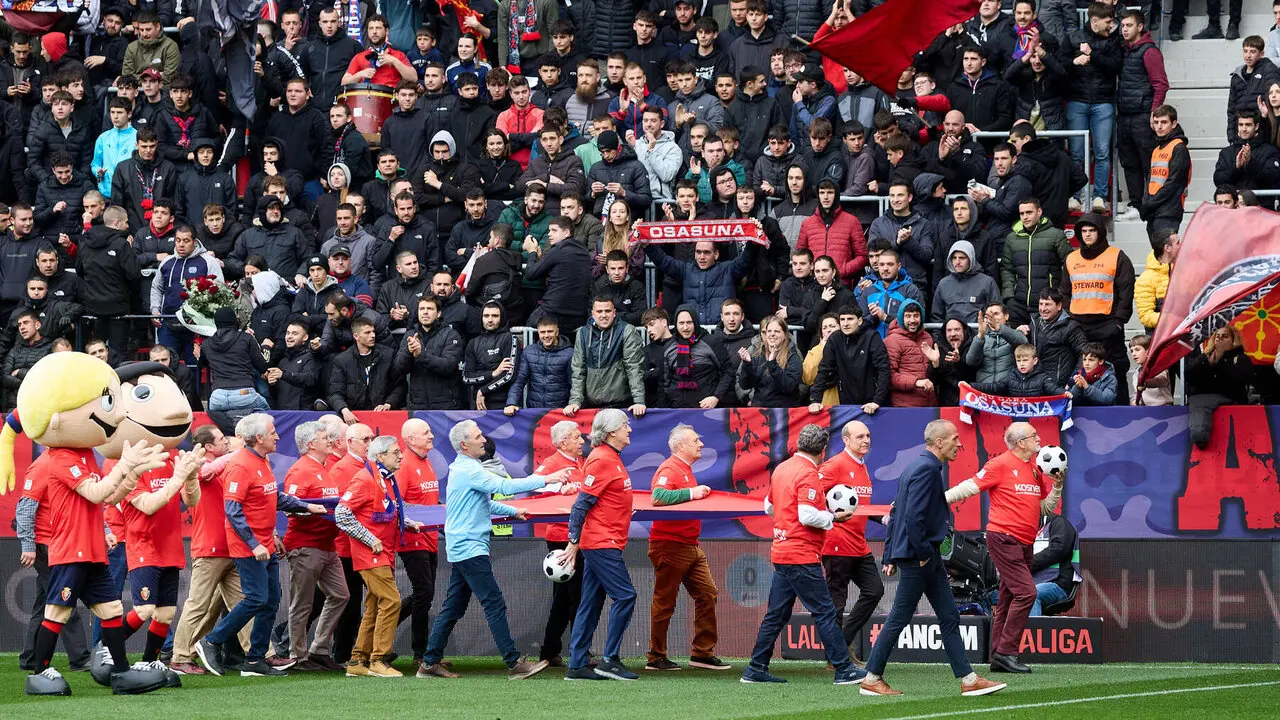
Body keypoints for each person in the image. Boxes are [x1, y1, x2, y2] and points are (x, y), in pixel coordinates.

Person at [860, 420, 1006, 697]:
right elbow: (912, 517)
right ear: (939, 442)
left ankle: (968, 679)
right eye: (954, 439)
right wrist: (925, 554)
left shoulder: (918, 467)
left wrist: (892, 554)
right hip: (921, 558)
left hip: (925, 558)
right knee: (899, 618)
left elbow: (896, 513)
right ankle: (872, 677)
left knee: (949, 616)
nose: (959, 444)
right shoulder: (926, 469)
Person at [416, 420, 569, 680]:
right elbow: (503, 488)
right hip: (469, 547)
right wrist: (547, 479)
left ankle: (429, 663)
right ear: (465, 445)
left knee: (453, 608)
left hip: (465, 545)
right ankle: (513, 662)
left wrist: (513, 511)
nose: (483, 439)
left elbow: (485, 502)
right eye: (478, 436)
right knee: (493, 602)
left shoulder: (467, 468)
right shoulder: (469, 470)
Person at [195, 414, 327, 677]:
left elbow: (272, 495)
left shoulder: (261, 460)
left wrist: (306, 506)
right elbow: (232, 510)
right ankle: (210, 641)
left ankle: (255, 661)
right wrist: (254, 544)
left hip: (265, 543)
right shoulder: (240, 465)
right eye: (272, 432)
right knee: (256, 598)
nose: (277, 436)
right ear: (259, 438)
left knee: (271, 600)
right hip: (249, 547)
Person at [740, 423, 865, 685]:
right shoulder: (809, 473)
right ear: (822, 450)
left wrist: (786, 524)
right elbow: (807, 515)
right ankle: (843, 669)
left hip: (782, 551)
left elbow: (768, 508)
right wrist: (833, 517)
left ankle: (755, 668)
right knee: (825, 612)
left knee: (776, 615)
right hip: (801, 554)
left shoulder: (782, 468)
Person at [944, 422, 1064, 674]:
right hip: (1004, 539)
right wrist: (938, 497)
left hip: (1025, 543)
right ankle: (1007, 652)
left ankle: (997, 655)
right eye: (1034, 436)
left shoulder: (1034, 469)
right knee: (1027, 593)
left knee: (1009, 596)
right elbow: (970, 487)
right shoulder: (999, 464)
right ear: (1021, 443)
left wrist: (1057, 486)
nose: (1039, 439)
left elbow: (1043, 508)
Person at [556, 409, 639, 681]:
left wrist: (623, 511)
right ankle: (609, 659)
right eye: (625, 425)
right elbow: (581, 504)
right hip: (602, 542)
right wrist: (573, 540)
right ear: (612, 431)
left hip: (604, 539)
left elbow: (605, 499)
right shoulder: (602, 459)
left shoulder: (610, 458)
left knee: (590, 603)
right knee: (625, 596)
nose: (629, 428)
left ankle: (577, 664)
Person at [643, 424, 727, 672]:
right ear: (681, 446)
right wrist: (692, 493)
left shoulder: (683, 469)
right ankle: (655, 656)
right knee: (665, 602)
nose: (700, 444)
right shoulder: (670, 468)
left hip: (688, 545)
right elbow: (657, 497)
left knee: (707, 594)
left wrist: (692, 492)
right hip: (670, 544)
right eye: (695, 441)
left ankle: (701, 653)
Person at [337, 436, 421, 678]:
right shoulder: (365, 478)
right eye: (395, 452)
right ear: (381, 456)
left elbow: (387, 511)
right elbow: (342, 513)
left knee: (375, 605)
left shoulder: (384, 478)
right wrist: (369, 538)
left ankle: (357, 660)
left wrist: (409, 523)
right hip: (371, 553)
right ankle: (378, 659)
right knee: (392, 601)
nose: (401, 455)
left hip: (382, 551)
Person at [279, 422, 349, 670]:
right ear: (311, 444)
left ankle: (318, 649)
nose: (329, 439)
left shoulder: (325, 467)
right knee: (302, 603)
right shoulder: (299, 471)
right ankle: (297, 656)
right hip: (305, 545)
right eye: (324, 437)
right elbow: (291, 510)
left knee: (341, 595)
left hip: (328, 546)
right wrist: (316, 511)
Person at [817, 420, 884, 665]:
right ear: (845, 440)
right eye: (860, 437)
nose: (866, 440)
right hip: (836, 542)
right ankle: (836, 658)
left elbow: (860, 507)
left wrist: (883, 516)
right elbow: (811, 495)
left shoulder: (862, 466)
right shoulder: (834, 465)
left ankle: (841, 645)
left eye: (867, 435)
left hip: (858, 543)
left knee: (875, 590)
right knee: (837, 601)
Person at [1065, 214, 1135, 404]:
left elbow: (1126, 290)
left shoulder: (1116, 256)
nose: (1087, 235)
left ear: (1101, 232)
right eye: (1084, 231)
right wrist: (1070, 319)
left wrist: (1119, 322)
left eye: (1092, 230)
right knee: (1080, 371)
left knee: (1117, 368)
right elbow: (1064, 292)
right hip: (1079, 325)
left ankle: (1121, 410)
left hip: (1108, 324)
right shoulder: (1071, 258)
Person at [396, 418, 442, 669]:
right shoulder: (404, 465)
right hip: (412, 539)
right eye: (426, 433)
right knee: (424, 593)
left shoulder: (426, 462)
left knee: (425, 594)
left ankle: (385, 629)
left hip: (431, 538)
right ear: (411, 439)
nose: (432, 436)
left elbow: (427, 500)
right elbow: (397, 503)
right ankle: (420, 653)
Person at [1115, 11, 1168, 220]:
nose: (1124, 29)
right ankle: (1136, 206)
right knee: (1129, 163)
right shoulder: (1124, 50)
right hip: (1125, 115)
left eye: (1129, 25)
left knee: (1148, 163)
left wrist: (1153, 113)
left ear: (1140, 27)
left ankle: (1153, 204)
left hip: (1142, 115)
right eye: (1123, 25)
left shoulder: (1149, 52)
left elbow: (1161, 84)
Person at [564, 297, 647, 417]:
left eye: (607, 311)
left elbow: (634, 368)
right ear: (592, 314)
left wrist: (639, 401)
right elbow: (578, 371)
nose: (603, 315)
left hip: (621, 405)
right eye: (599, 311)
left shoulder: (627, 330)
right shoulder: (582, 333)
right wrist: (575, 401)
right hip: (591, 406)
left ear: (614, 313)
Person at [1000, 198, 1070, 327]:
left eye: (1029, 212)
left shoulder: (1056, 235)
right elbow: (1007, 269)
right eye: (1022, 213)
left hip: (1047, 304)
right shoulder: (1011, 238)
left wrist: (1058, 294)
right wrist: (1009, 297)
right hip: (1018, 304)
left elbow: (1069, 266)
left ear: (1039, 211)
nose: (1025, 217)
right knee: (1018, 345)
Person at [808, 304, 890, 415]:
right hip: (847, 403)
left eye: (850, 319)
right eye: (842, 319)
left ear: (860, 321)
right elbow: (824, 369)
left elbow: (883, 369)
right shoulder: (835, 339)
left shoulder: (872, 337)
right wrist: (815, 400)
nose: (845, 324)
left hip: (873, 404)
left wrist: (877, 401)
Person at [1187, 325, 1252, 448]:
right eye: (1217, 336)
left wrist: (1222, 358)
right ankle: (1199, 436)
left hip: (1231, 399)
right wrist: (1207, 361)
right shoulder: (1206, 358)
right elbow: (1190, 376)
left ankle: (1200, 435)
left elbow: (1237, 381)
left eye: (1225, 336)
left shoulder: (1241, 359)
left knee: (1201, 401)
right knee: (1197, 400)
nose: (1220, 339)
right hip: (1204, 399)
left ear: (1234, 341)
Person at [797, 179, 867, 288]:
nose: (825, 197)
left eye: (830, 192)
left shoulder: (852, 221)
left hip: (842, 285)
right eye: (822, 192)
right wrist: (812, 272)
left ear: (837, 194)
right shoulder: (807, 224)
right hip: (814, 285)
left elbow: (862, 256)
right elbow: (801, 256)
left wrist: (842, 270)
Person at [328, 317, 404, 416]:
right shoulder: (342, 360)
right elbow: (335, 392)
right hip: (354, 415)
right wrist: (344, 409)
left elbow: (400, 385)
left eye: (373, 332)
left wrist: (388, 404)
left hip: (384, 414)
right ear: (356, 336)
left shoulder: (388, 355)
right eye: (367, 333)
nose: (373, 335)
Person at [1138, 105, 1190, 239]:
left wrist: (1149, 204)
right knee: (1158, 257)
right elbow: (1150, 180)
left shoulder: (1179, 148)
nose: (1159, 126)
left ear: (1174, 124)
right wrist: (1146, 203)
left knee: (1166, 256)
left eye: (1164, 122)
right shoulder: (1157, 149)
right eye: (1156, 122)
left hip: (1169, 211)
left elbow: (1173, 183)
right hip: (1155, 210)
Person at [855, 248, 925, 339]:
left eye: (890, 264)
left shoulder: (910, 290)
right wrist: (874, 316)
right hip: (874, 347)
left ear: (899, 266)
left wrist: (885, 317)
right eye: (882, 265)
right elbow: (859, 324)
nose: (885, 268)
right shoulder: (868, 291)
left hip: (902, 345)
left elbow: (915, 321)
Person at [462, 302, 519, 410]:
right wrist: (493, 373)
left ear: (502, 318)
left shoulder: (509, 338)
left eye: (495, 316)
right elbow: (467, 377)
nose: (490, 320)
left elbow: (509, 375)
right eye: (486, 316)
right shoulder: (473, 343)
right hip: (478, 404)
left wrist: (483, 390)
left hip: (503, 404)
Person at [1028, 287, 1087, 391]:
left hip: (1059, 387)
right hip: (1036, 385)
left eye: (1048, 304)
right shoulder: (1034, 323)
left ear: (1059, 306)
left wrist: (1072, 381)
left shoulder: (1071, 327)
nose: (1043, 308)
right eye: (1041, 304)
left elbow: (1084, 355)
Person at [1129, 334, 1174, 406]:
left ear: (1149, 351)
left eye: (1137, 350)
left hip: (1163, 409)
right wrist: (1134, 400)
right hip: (1147, 410)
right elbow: (1137, 391)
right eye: (1131, 351)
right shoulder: (1136, 372)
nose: (1133, 354)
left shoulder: (1159, 367)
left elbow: (1161, 380)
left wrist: (1146, 383)